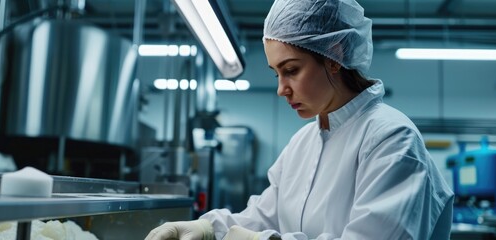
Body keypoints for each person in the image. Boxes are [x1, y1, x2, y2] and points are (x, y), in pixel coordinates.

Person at [145, 0, 454, 239]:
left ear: (333, 57)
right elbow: (265, 217)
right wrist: (209, 227)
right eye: (276, 73)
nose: (281, 89)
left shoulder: (392, 139)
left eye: (291, 70)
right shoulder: (303, 142)